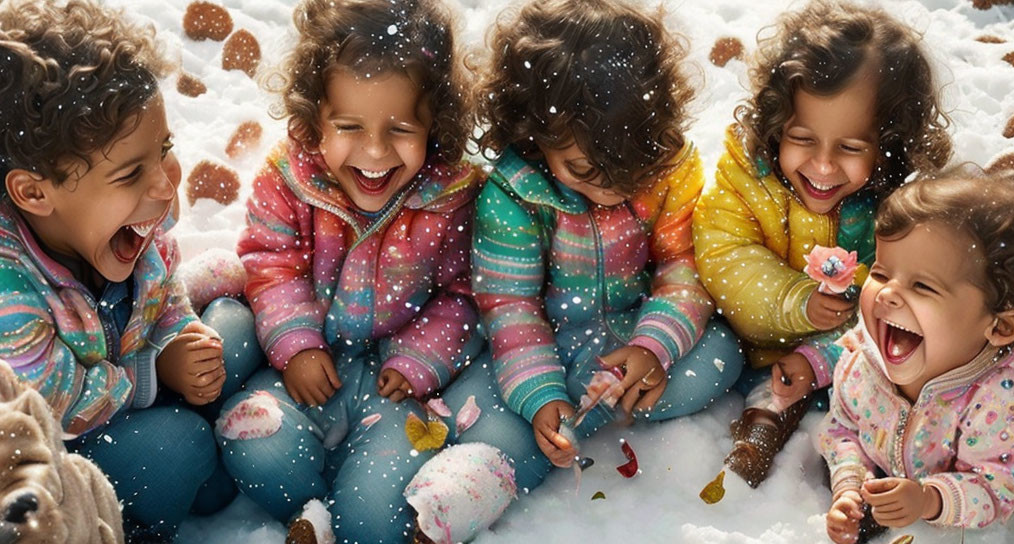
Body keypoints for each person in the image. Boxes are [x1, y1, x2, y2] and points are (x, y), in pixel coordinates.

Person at [449, 0, 743, 520]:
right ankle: (520, 439)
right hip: (549, 339)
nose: (610, 184)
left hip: (635, 326)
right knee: (505, 410)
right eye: (584, 167)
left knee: (719, 356)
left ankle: (576, 414)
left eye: (628, 164)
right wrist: (540, 390)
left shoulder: (668, 171)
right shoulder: (515, 195)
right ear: (536, 136)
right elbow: (510, 303)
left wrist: (653, 346)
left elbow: (683, 267)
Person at [211, 0, 483, 541]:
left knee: (373, 521)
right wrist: (296, 343)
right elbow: (271, 263)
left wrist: (420, 358)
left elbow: (466, 292)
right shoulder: (286, 179)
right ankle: (309, 510)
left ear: (436, 123)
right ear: (315, 120)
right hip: (307, 374)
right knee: (250, 436)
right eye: (350, 125)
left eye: (402, 128)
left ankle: (358, 499)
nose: (376, 150)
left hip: (397, 387)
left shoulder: (453, 195)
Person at [0, 0, 259, 538]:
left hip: (129, 380)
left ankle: (206, 458)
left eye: (163, 149)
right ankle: (133, 521)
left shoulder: (130, 224)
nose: (165, 185)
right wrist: (155, 375)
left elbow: (164, 291)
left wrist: (181, 336)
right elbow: (54, 399)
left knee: (230, 330)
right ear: (33, 192)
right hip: (64, 453)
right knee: (181, 449)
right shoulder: (9, 288)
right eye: (129, 173)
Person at [692, 0, 951, 486]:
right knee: (715, 360)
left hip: (850, 351)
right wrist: (797, 302)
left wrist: (823, 357)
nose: (824, 166)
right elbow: (724, 256)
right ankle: (765, 418)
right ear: (776, 126)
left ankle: (864, 474)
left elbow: (901, 305)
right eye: (802, 138)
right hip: (752, 335)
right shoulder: (747, 177)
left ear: (888, 145)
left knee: (886, 376)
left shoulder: (899, 208)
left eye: (851, 148)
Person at [819, 168, 1014, 543]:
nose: (887, 294)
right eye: (881, 272)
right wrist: (850, 485)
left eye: (923, 285)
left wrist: (930, 499)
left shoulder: (1006, 392)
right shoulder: (869, 355)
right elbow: (843, 428)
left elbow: (997, 488)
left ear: (1000, 327)